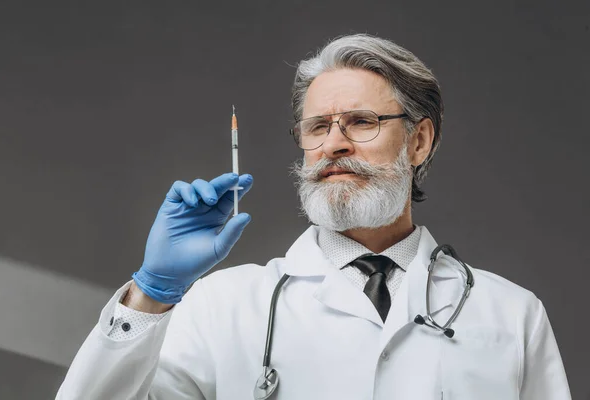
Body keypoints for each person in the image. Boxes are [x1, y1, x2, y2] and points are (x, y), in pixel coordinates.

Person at [56, 34, 571, 400]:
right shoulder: (224, 307)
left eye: (361, 122)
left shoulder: (511, 315)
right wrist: (152, 293)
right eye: (318, 126)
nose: (334, 144)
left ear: (419, 141)